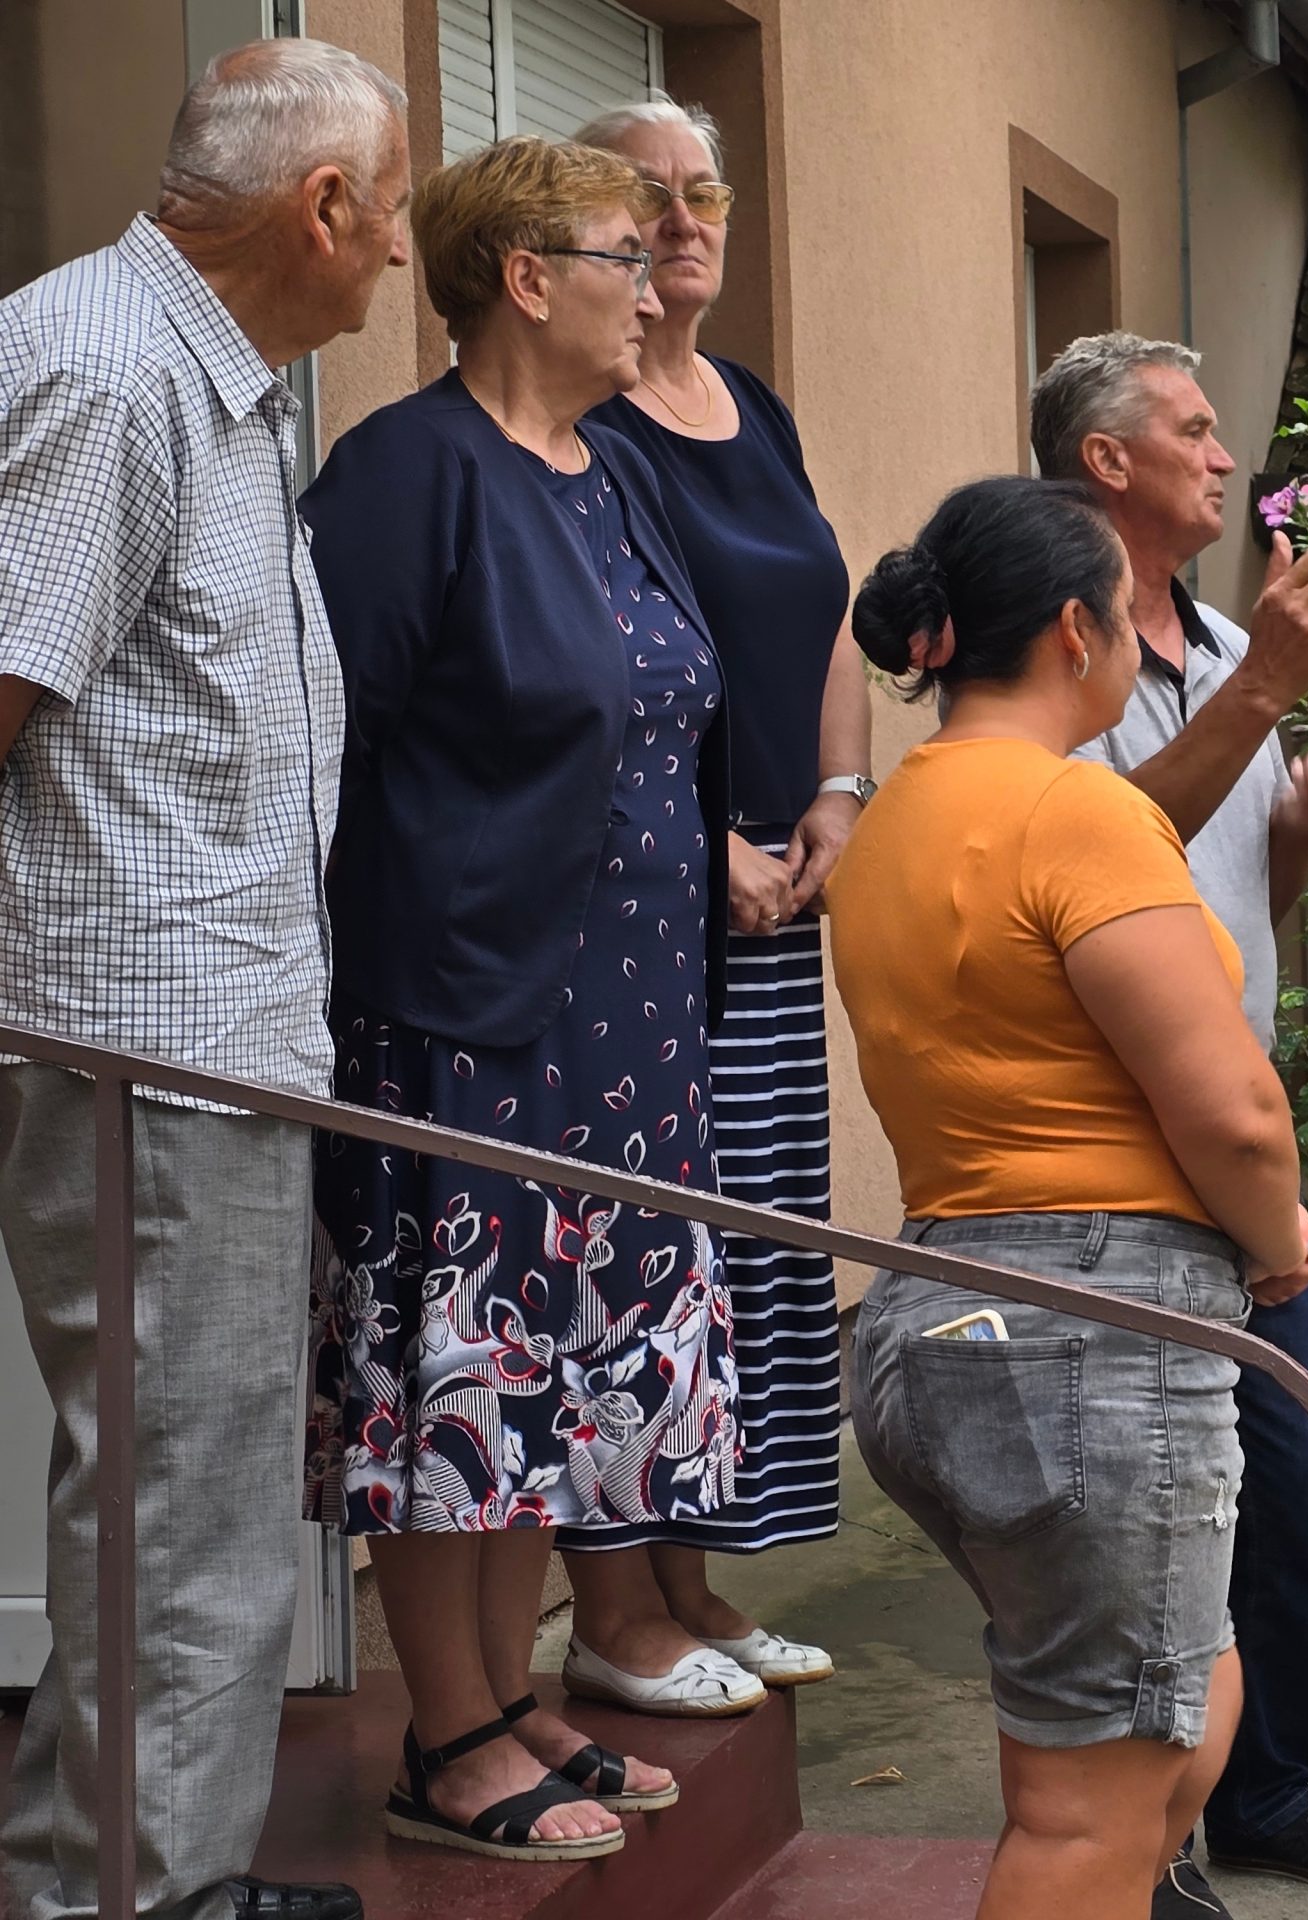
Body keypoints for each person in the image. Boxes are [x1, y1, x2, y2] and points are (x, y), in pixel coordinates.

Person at [0, 39, 409, 1920]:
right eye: (386, 209)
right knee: (182, 1523)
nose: (394, 248)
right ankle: (153, 1900)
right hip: (146, 1058)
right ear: (319, 207)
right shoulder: (107, 367)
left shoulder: (213, 379)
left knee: (169, 1513)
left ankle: (110, 1878)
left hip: (208, 1043)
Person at [299, 135, 743, 1862]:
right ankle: (449, 1736)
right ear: (527, 277)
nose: (662, 276)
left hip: (631, 1017)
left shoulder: (605, 467)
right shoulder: (408, 474)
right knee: (464, 1380)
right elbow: (327, 755)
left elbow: (658, 708)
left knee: (562, 1379)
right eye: (631, 249)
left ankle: (507, 1696)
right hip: (469, 1012)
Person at [833, 474, 1308, 1920]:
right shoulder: (1079, 810)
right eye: (1126, 614)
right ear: (1074, 631)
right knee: (1081, 1817)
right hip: (1095, 1328)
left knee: (1175, 1706)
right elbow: (1234, 1109)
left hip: (939, 1310)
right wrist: (1279, 1243)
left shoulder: (888, 825)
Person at [1029, 330, 1308, 1917]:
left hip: (1234, 1143)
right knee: (1148, 1516)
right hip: (1115, 1154)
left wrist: (1303, 827)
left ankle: (1262, 1800)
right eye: (1190, 430)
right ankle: (1154, 1842)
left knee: (1305, 1487)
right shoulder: (1053, 641)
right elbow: (1094, 849)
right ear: (1105, 459)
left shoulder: (1224, 644)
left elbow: (1227, 896)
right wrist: (1270, 691)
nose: (1222, 455)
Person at [554, 95, 863, 1708]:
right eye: (647, 198)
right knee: (642, 1248)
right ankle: (615, 1615)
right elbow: (589, 675)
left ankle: (693, 1584)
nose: (683, 223)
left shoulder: (753, 404)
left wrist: (839, 793)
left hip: (771, 902)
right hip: (651, 909)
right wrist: (700, 840)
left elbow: (827, 619)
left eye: (706, 193)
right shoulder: (578, 424)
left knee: (740, 1250)